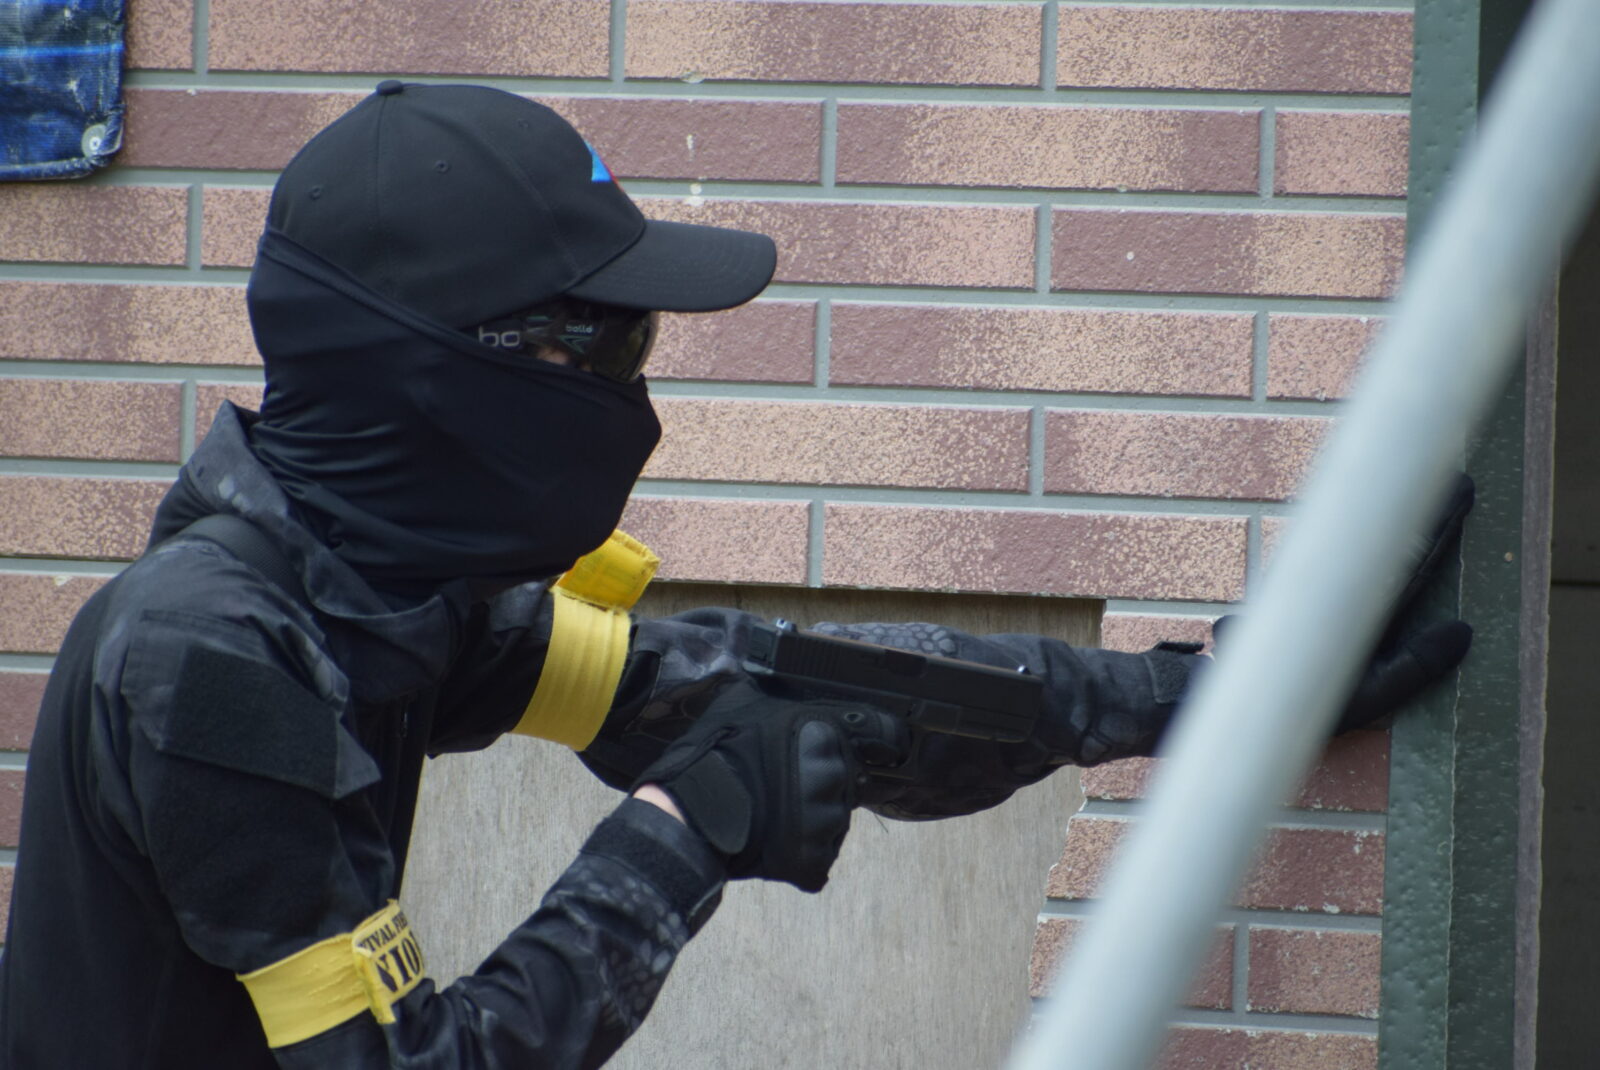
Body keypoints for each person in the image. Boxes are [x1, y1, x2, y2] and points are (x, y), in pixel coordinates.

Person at [0, 82, 1472, 1069]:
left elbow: (765, 689)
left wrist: (1201, 691)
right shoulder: (214, 659)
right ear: (436, 376)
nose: (632, 388)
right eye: (603, 343)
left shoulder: (372, 597)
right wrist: (682, 832)